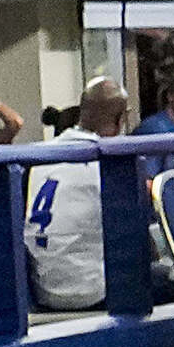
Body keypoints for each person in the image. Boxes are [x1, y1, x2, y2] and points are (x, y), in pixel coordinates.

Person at [23, 78, 134, 311]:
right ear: (120, 119)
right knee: (168, 274)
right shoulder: (108, 160)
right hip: (89, 292)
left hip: (42, 288)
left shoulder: (40, 154)